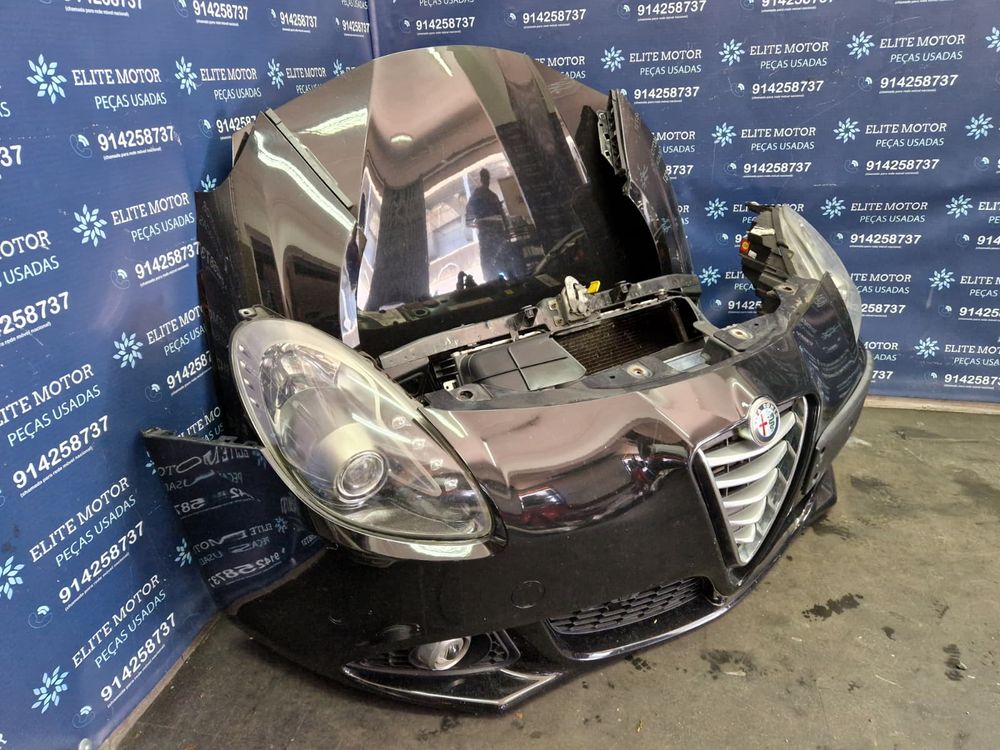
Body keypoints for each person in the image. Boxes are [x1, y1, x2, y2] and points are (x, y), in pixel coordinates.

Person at [465, 169, 512, 281]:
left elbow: (469, 220)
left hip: (495, 234)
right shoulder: (482, 196)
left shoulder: (490, 196)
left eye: (487, 178)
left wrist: (506, 229)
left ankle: (502, 281)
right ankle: (495, 282)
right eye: (485, 178)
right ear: (482, 179)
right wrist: (483, 224)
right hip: (491, 235)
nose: (487, 180)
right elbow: (469, 220)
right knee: (492, 263)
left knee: (499, 262)